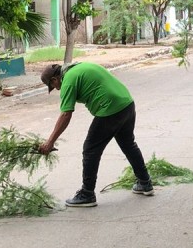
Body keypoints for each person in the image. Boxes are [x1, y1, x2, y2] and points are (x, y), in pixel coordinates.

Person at [39, 61, 154, 207]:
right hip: (126, 103)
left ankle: (87, 193)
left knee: (90, 149)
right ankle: (145, 183)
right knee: (128, 144)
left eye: (53, 86)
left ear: (55, 79)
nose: (56, 89)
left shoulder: (68, 80)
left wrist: (50, 142)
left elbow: (66, 114)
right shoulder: (80, 67)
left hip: (109, 109)